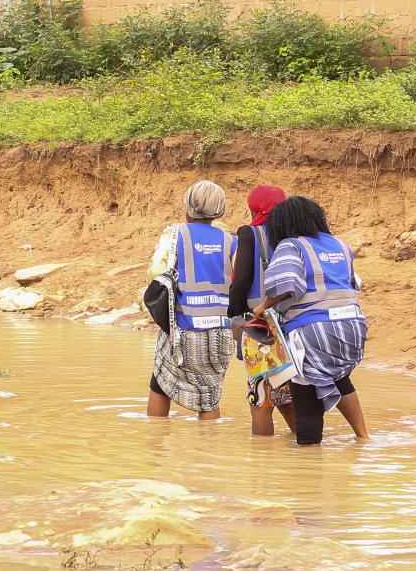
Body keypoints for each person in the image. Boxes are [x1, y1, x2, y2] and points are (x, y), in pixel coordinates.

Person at [254, 196, 371, 446]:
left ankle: (308, 467)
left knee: (306, 400)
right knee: (338, 377)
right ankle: (363, 437)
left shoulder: (292, 246)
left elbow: (286, 285)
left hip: (313, 331)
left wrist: (262, 308)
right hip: (353, 327)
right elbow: (354, 283)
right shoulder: (340, 245)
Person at [147, 180, 236, 421]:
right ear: (220, 210)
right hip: (221, 331)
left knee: (160, 383)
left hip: (183, 328)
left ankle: (155, 443)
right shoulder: (231, 241)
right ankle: (207, 452)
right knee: (209, 395)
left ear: (187, 206)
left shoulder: (173, 234)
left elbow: (156, 273)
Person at [228, 184, 296, 437]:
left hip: (261, 325)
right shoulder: (297, 235)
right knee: (288, 393)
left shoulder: (250, 234)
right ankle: (304, 451)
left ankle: (262, 463)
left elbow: (241, 280)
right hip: (295, 324)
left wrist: (234, 314)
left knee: (260, 400)